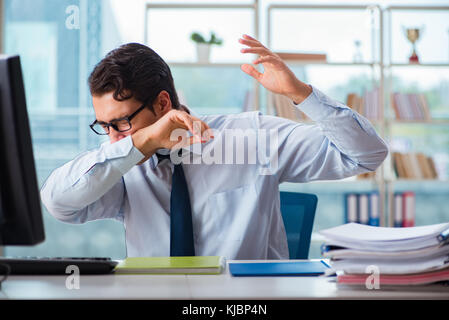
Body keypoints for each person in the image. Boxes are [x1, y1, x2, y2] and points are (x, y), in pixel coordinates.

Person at [41, 34, 388, 259]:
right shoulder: (120, 164)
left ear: (163, 103)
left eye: (122, 123)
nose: (116, 137)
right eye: (105, 126)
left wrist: (300, 93)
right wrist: (139, 142)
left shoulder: (250, 137)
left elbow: (366, 154)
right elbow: (59, 204)